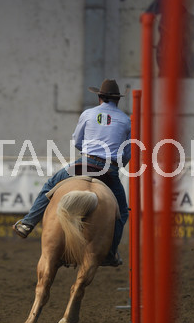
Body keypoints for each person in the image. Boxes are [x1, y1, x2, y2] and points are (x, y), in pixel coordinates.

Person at [12, 79, 131, 267]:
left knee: (50, 186)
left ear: (100, 97)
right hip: (109, 169)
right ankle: (110, 253)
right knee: (122, 211)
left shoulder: (88, 114)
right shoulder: (126, 120)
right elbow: (126, 154)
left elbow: (77, 141)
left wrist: (89, 151)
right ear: (118, 100)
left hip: (84, 163)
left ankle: (27, 223)